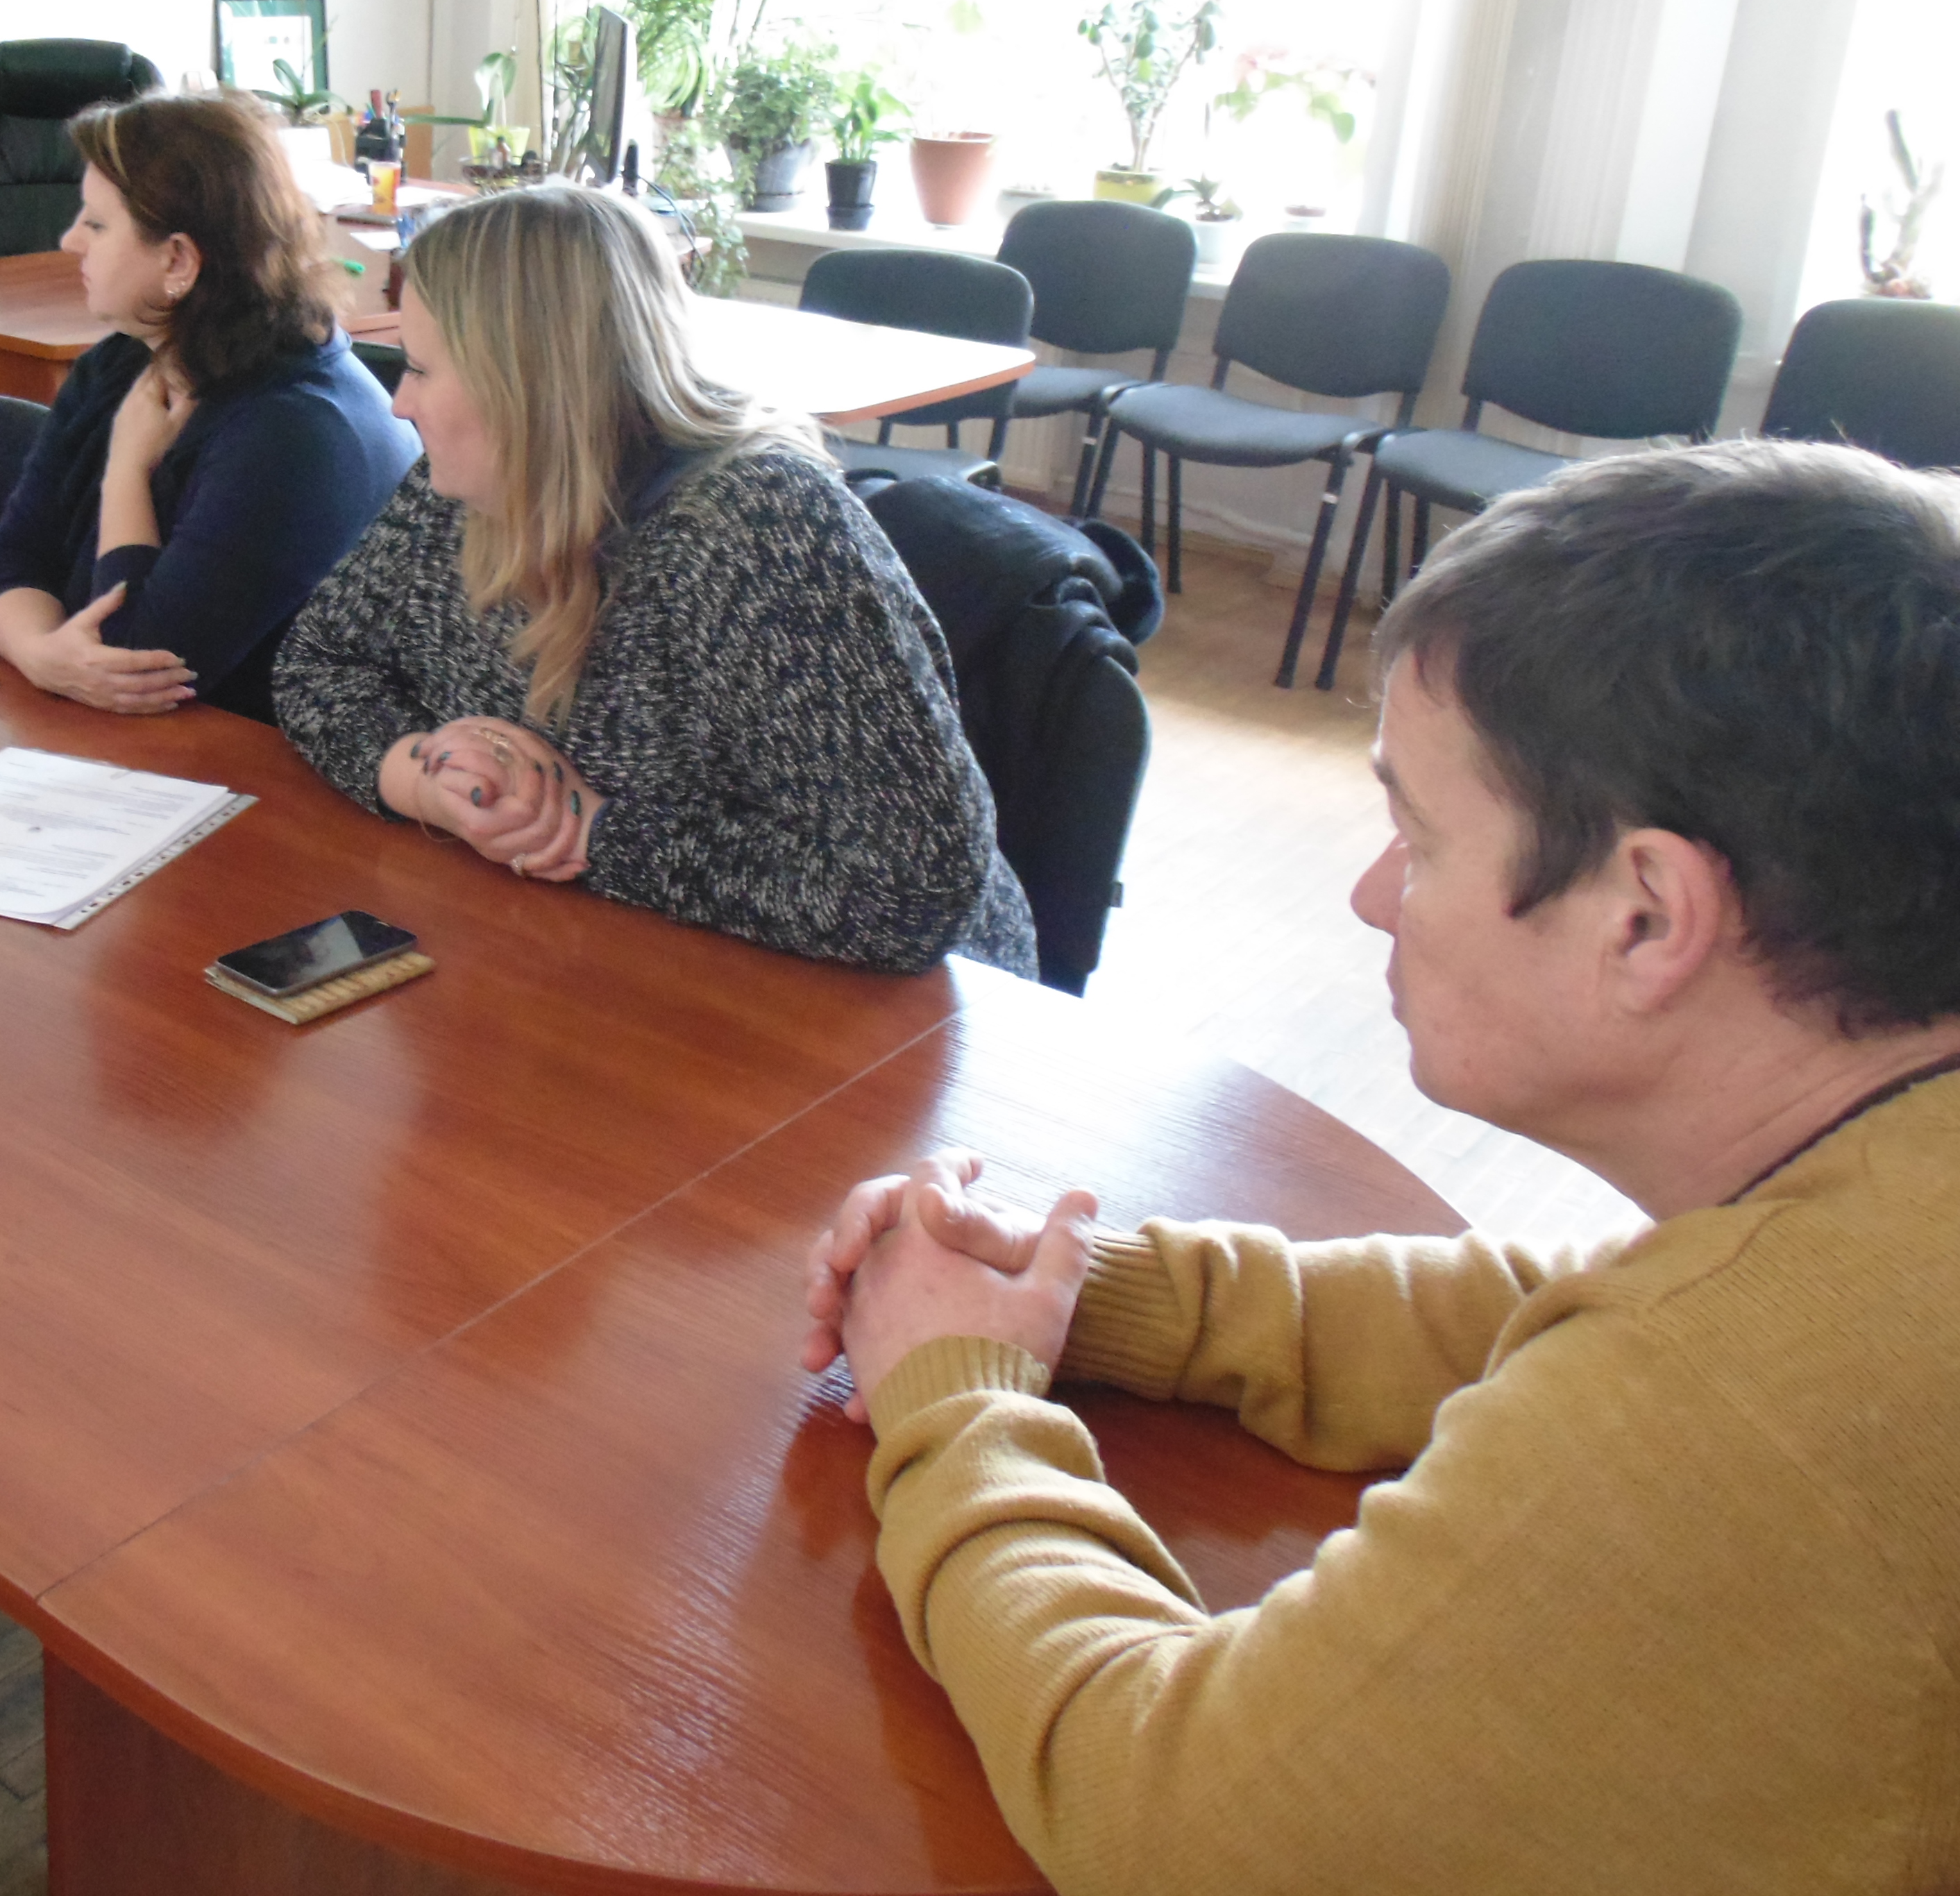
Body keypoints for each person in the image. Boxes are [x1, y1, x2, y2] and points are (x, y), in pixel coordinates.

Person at [800, 439, 1960, 1895]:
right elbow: (1569, 1302)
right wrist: (1097, 1290)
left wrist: (956, 1403)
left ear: (1649, 917)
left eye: (1415, 836)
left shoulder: (1750, 1408)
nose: (1366, 894)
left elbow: (1171, 1818)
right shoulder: (1873, 1197)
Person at [275, 181, 1036, 976]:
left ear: (525, 386)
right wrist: (424, 777)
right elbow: (317, 666)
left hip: (890, 1006)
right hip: (588, 954)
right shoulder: (458, 487)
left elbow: (913, 892)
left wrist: (593, 834)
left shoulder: (759, 531)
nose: (400, 405)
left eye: (422, 370)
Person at [0, 88, 417, 720]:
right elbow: (8, 557)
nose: (70, 240)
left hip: (246, 760)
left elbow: (137, 662)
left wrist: (127, 472)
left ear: (178, 259)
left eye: (96, 225)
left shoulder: (296, 434)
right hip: (107, 739)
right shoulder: (123, 361)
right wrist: (42, 653)